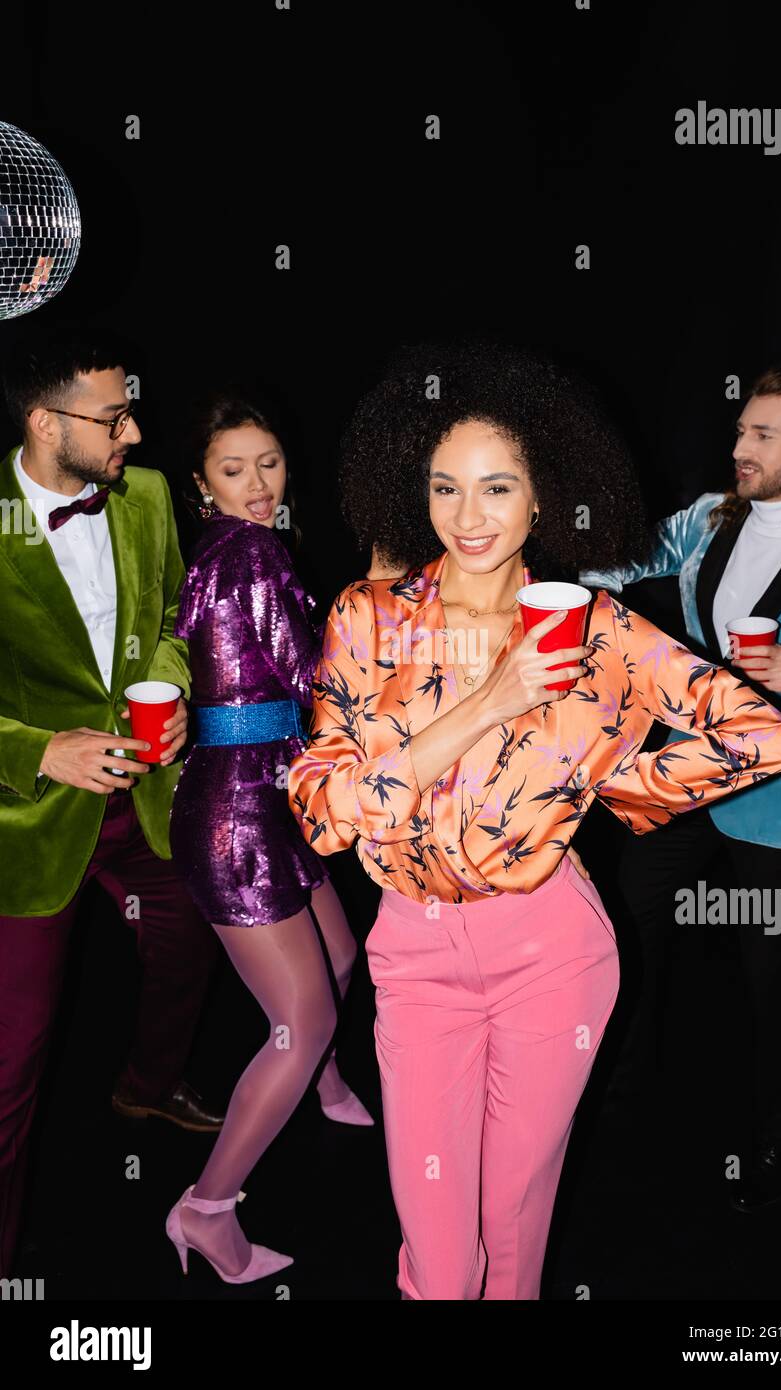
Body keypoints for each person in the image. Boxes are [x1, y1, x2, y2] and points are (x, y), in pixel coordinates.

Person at [286, 340, 781, 1299]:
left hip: (552, 954)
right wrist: (486, 702)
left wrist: (616, 789)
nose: (467, 516)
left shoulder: (599, 631)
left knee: (514, 1230)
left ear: (541, 497)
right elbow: (322, 812)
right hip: (415, 952)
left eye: (496, 488)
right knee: (440, 1262)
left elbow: (764, 737)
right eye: (445, 489)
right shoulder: (367, 617)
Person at [579, 363, 781, 1211]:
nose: (736, 448)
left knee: (771, 977)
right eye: (739, 431)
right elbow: (621, 562)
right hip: (690, 769)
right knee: (623, 934)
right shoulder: (711, 516)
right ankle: (608, 1109)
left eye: (760, 435)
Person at [0, 330, 224, 1279]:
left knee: (191, 941)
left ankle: (148, 1084)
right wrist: (39, 748)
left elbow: (175, 615)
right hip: (29, 823)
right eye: (112, 415)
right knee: (11, 1069)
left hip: (142, 800)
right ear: (44, 423)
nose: (135, 428)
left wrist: (171, 694)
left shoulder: (148, 494)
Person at [165, 394, 373, 1286]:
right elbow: (310, 675)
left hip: (261, 793)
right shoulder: (251, 549)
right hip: (239, 813)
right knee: (303, 1016)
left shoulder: (221, 548)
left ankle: (320, 1084)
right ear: (200, 483)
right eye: (232, 469)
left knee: (340, 952)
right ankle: (205, 1211)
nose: (258, 485)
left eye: (271, 464)